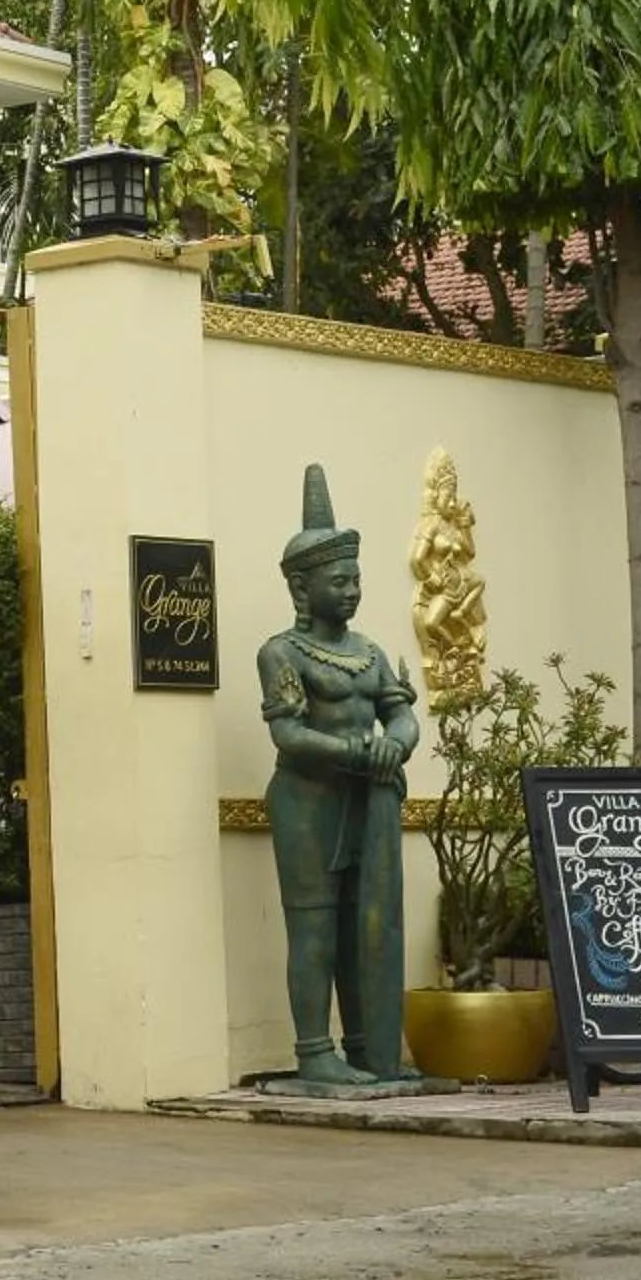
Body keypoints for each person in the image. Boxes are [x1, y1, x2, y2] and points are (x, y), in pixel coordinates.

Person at [258, 464, 420, 1084]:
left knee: (366, 924)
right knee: (317, 929)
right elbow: (288, 735)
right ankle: (314, 1053)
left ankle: (368, 1047)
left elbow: (401, 716)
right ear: (302, 588)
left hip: (368, 804)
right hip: (308, 805)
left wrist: (395, 747)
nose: (351, 590)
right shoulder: (282, 652)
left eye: (356, 579)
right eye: (337, 580)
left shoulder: (371, 652)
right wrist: (359, 752)